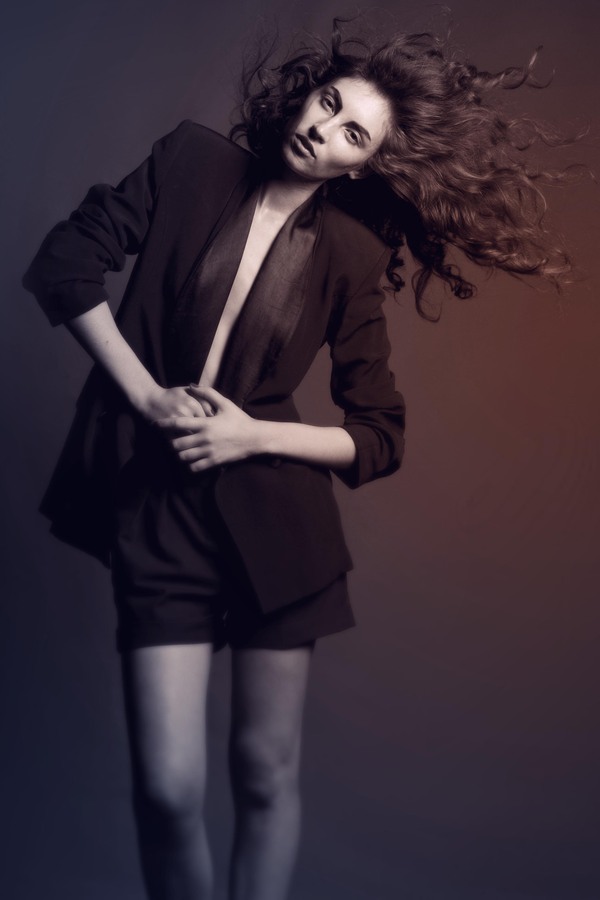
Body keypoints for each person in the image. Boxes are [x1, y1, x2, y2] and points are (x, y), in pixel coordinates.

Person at [22, 18, 578, 900]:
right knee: (168, 793)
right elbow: (64, 265)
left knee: (264, 775)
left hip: (280, 537)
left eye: (353, 133)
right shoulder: (190, 161)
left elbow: (380, 433)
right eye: (328, 104)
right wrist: (147, 396)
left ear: (362, 167)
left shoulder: (352, 253)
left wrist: (253, 435)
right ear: (306, 96)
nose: (325, 130)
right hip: (160, 522)